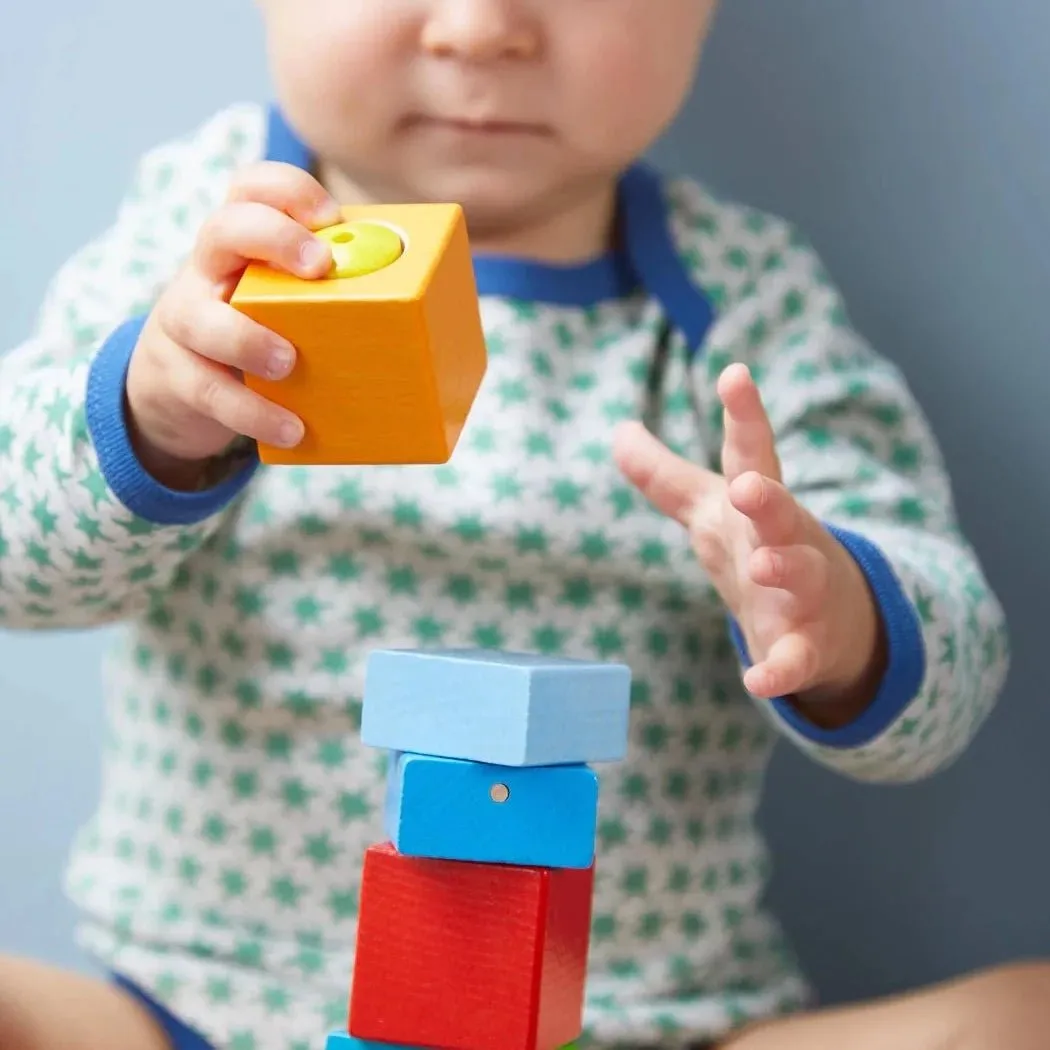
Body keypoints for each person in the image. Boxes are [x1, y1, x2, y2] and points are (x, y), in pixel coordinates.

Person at [0, 1, 1045, 1048]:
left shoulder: (739, 298)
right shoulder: (204, 237)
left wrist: (835, 611)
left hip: (641, 1020)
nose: (480, 29)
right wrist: (150, 421)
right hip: (201, 1009)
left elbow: (952, 669)